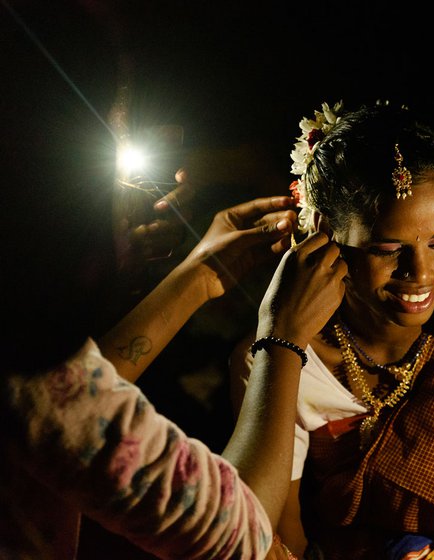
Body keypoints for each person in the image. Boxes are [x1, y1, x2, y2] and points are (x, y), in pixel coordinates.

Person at [0, 2, 347, 558]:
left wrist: (196, 276)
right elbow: (242, 534)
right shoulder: (36, 382)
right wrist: (281, 339)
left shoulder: (35, 368)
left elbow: (74, 392)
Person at [229, 101, 434, 559]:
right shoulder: (283, 359)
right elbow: (284, 541)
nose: (421, 273)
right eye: (387, 249)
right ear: (326, 231)